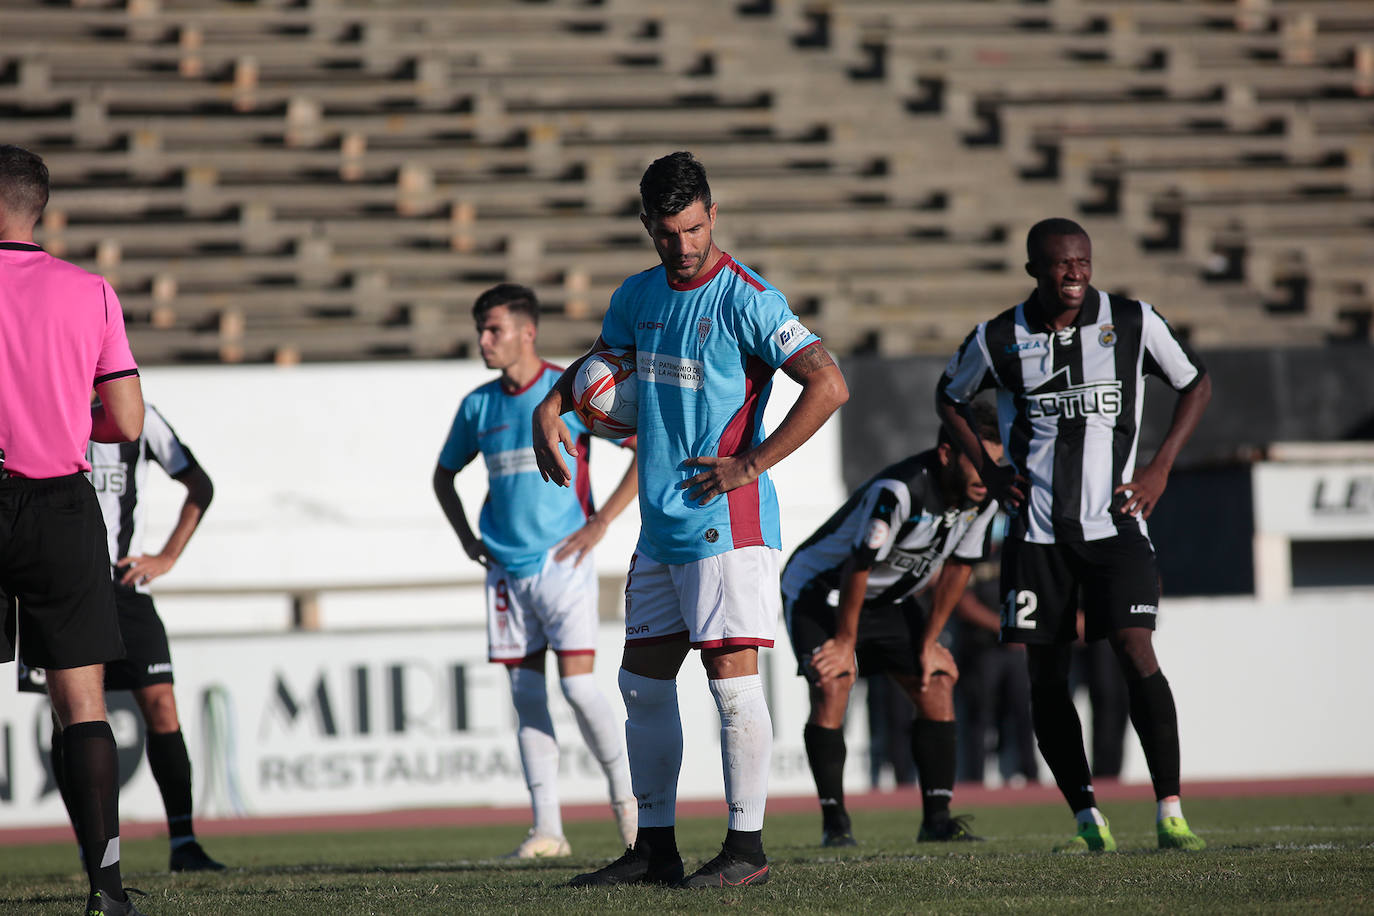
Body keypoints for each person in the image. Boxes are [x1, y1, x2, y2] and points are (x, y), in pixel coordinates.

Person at [533, 151, 848, 888]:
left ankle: (747, 850)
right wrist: (553, 403)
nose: (685, 245)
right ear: (648, 225)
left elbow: (828, 383)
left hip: (726, 520)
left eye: (696, 228)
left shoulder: (748, 298)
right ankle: (656, 849)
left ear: (713, 213)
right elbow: (600, 368)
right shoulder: (637, 295)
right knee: (641, 686)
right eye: (669, 233)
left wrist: (750, 462)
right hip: (662, 522)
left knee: (731, 683)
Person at [936, 217, 1212, 853]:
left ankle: (1170, 810)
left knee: (1135, 648)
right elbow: (948, 398)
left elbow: (1194, 381)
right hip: (1036, 536)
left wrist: (1160, 466)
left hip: (1117, 525)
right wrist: (990, 466)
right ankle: (1088, 817)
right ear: (1034, 268)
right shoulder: (998, 336)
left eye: (1084, 262)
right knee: (1047, 675)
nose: (1076, 274)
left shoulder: (1134, 321)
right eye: (1062, 264)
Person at [434, 283, 639, 859]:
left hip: (563, 561)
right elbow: (442, 475)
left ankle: (630, 808)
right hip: (504, 567)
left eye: (494, 328)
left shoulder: (574, 391)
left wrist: (599, 524)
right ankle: (547, 828)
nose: (483, 340)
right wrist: (467, 539)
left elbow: (642, 448)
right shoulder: (478, 405)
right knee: (526, 696)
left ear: (529, 332)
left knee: (576, 687)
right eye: (480, 329)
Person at [0, 144, 149, 915]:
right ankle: (107, 889)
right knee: (80, 704)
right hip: (58, 502)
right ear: (39, 209)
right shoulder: (88, 290)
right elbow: (125, 421)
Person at [781, 402, 1003, 847]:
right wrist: (844, 642)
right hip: (822, 590)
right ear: (945, 453)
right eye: (978, 462)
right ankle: (835, 825)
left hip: (887, 599)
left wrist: (931, 640)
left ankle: (937, 822)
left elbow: (959, 566)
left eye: (996, 464)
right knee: (834, 682)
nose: (988, 474)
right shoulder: (900, 490)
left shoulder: (986, 497)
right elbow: (857, 568)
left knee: (935, 681)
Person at [25, 401, 224, 874]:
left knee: (161, 705)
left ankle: (184, 842)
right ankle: (92, 851)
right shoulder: (47, 404)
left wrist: (167, 556)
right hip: (61, 584)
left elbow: (200, 485)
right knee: (65, 718)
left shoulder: (139, 415)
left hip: (123, 587)